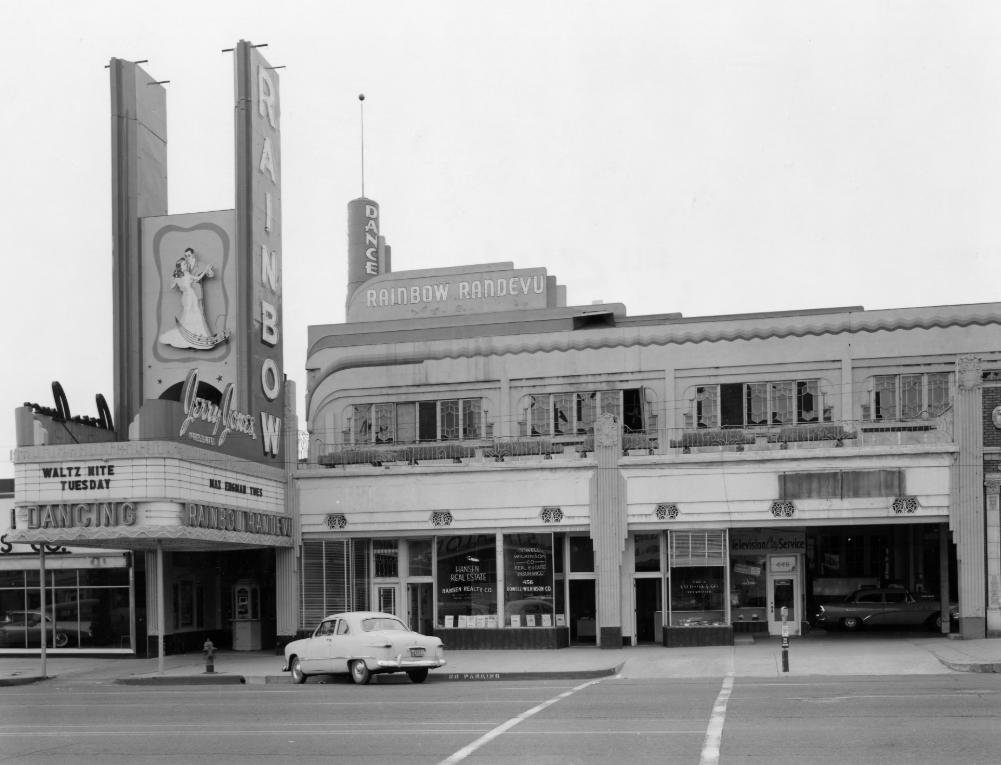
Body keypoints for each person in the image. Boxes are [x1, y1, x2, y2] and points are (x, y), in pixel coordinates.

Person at [158, 247, 218, 349]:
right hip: (187, 295)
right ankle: (199, 338)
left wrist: (208, 269)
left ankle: (205, 337)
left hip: (196, 294)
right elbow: (175, 282)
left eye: (189, 255)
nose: (187, 257)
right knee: (191, 316)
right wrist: (174, 279)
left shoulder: (200, 265)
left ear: (193, 254)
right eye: (185, 256)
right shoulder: (184, 267)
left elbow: (210, 274)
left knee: (199, 316)